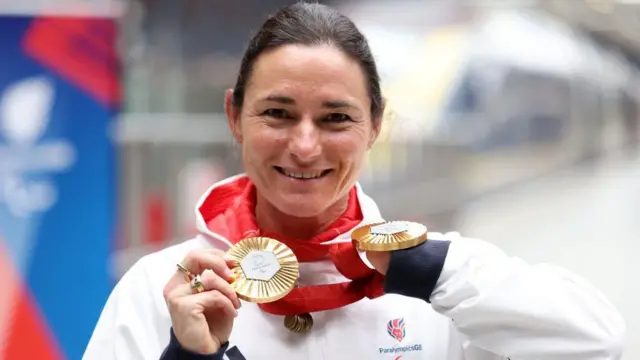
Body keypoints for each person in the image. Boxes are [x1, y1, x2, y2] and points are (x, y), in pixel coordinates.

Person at [83, 3, 625, 360]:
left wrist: (435, 266)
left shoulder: (441, 286)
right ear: (234, 116)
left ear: (376, 125)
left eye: (336, 118)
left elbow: (602, 343)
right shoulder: (163, 287)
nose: (304, 145)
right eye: (277, 113)